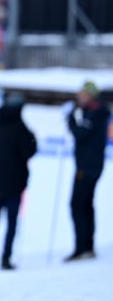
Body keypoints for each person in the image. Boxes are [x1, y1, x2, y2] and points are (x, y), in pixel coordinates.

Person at [0, 92, 37, 270]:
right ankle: (5, 258)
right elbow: (29, 150)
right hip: (14, 183)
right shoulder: (20, 128)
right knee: (11, 222)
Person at [64, 80, 110, 262]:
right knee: (86, 205)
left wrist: (70, 120)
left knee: (78, 205)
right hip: (89, 165)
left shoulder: (96, 113)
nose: (79, 98)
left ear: (90, 96)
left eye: (82, 95)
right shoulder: (95, 112)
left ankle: (82, 247)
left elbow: (80, 134)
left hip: (87, 167)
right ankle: (87, 246)